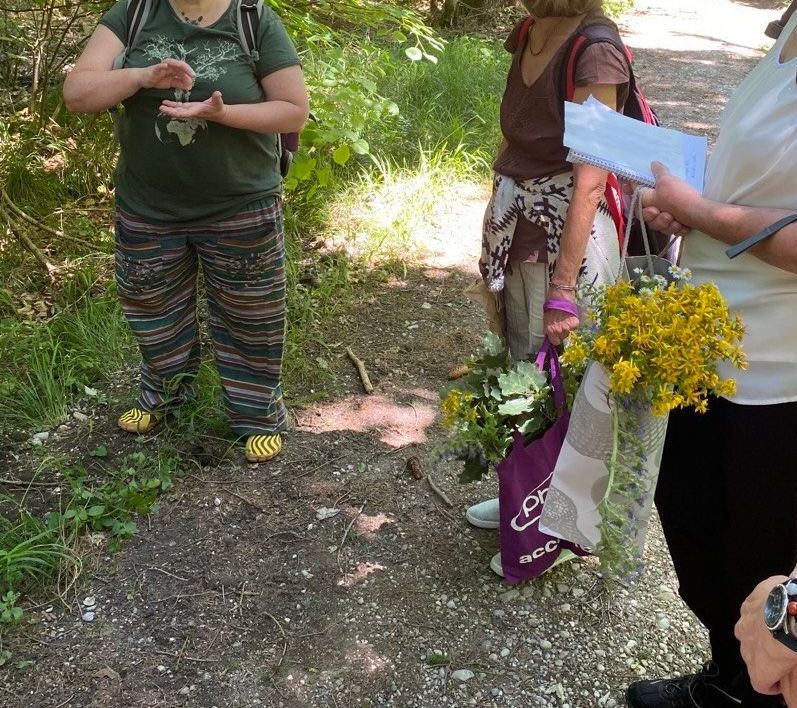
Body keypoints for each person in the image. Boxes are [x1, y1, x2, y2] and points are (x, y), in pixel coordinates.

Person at [624, 5, 797, 705]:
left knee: (757, 563)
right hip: (703, 342)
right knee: (695, 530)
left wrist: (699, 213)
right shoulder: (788, 28)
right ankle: (728, 681)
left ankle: (754, 693)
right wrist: (690, 200)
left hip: (778, 371)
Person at [63, 0, 309, 462]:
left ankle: (257, 415)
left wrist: (222, 114)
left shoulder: (252, 18)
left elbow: (293, 111)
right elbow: (77, 95)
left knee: (251, 314)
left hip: (240, 203)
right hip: (148, 205)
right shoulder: (134, 13)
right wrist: (141, 76)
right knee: (153, 310)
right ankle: (165, 394)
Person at [467, 0, 631, 575]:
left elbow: (591, 181)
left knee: (567, 385)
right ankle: (522, 496)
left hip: (569, 248)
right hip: (521, 232)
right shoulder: (530, 32)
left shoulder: (595, 51)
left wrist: (565, 287)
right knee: (523, 370)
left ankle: (558, 529)